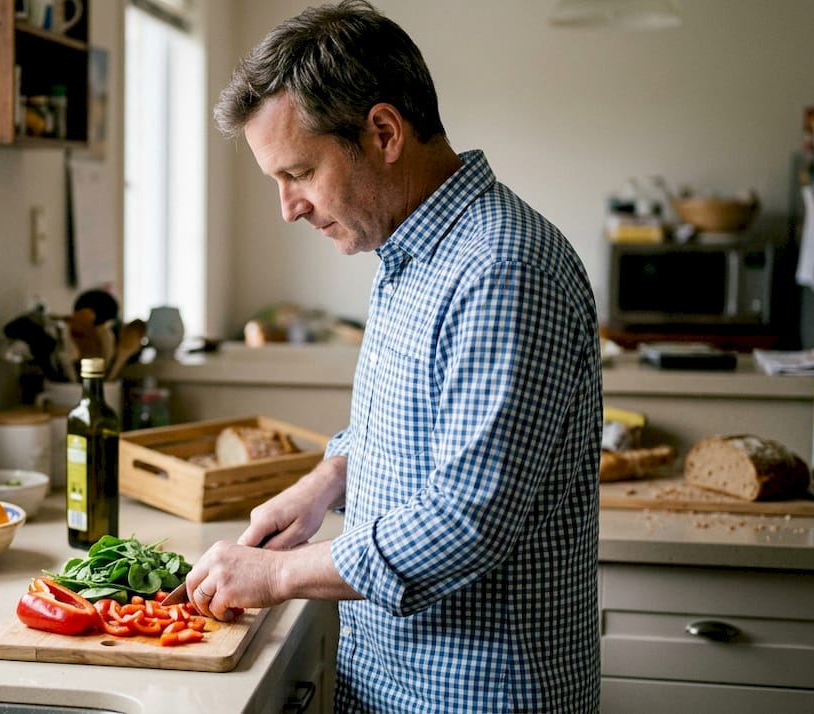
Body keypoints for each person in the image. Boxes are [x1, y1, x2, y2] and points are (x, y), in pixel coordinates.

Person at [182, 1, 602, 711]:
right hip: (391, 679)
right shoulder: (407, 251)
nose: (288, 207)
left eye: (300, 172)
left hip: (476, 696)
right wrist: (328, 480)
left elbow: (464, 523)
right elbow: (411, 426)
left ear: (382, 131)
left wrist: (276, 576)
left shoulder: (503, 268)